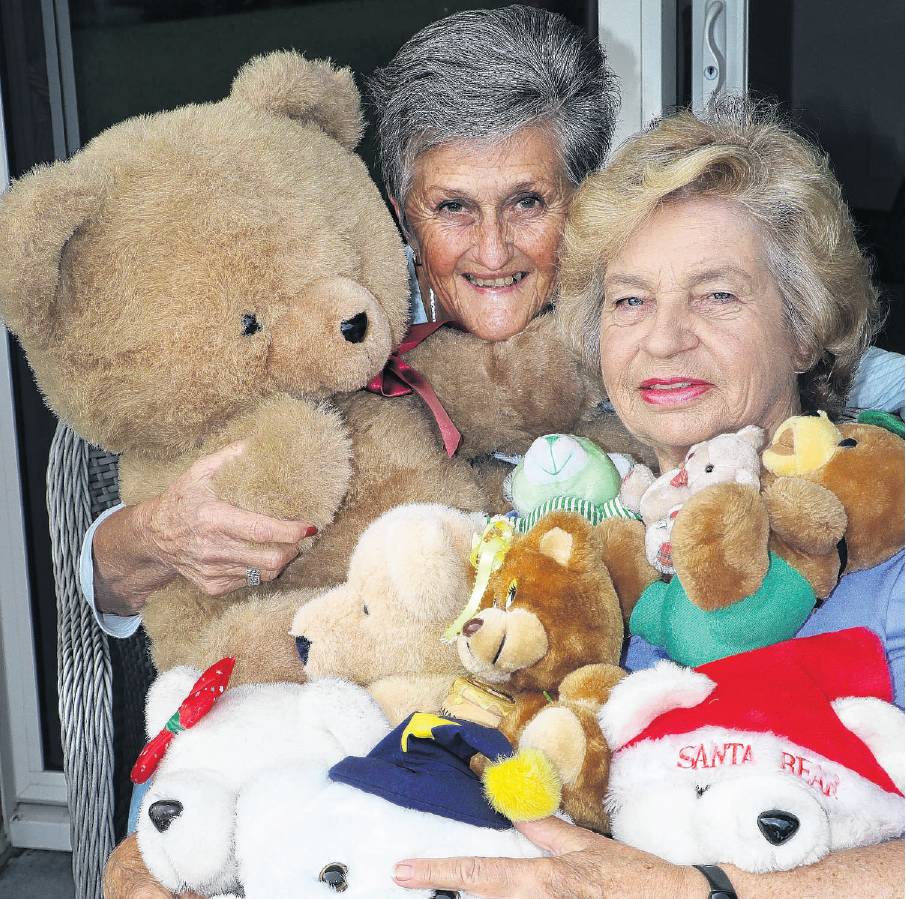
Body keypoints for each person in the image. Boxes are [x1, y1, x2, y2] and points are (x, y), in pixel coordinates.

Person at [102, 7, 624, 897]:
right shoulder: (344, 348)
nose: (492, 250)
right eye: (452, 207)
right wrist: (151, 535)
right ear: (400, 215)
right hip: (312, 740)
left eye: (528, 203)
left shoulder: (636, 349)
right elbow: (112, 576)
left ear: (582, 200)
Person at [393, 98, 904, 898]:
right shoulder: (569, 562)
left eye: (717, 295)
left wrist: (700, 888)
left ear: (804, 329)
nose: (664, 337)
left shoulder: (883, 545)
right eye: (630, 300)